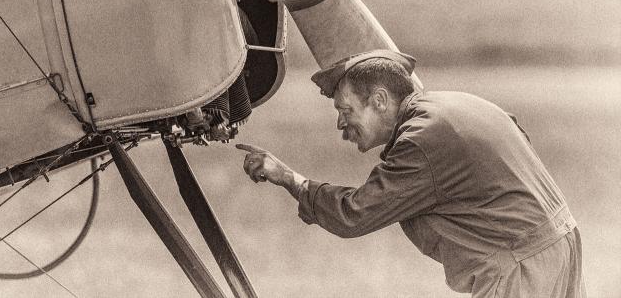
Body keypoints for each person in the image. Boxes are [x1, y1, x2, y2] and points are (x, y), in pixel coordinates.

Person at [236, 50, 585, 297]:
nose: (340, 123)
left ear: (379, 100)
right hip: (560, 244)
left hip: (522, 266)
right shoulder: (454, 106)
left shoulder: (421, 139)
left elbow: (354, 214)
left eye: (346, 109)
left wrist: (289, 179)